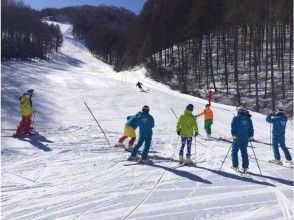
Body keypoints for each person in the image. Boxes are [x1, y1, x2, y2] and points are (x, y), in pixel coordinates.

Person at [231, 106, 254, 173]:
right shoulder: (248, 119)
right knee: (244, 152)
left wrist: (233, 135)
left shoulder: (235, 118)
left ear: (238, 111)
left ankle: (235, 166)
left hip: (237, 138)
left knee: (234, 151)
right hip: (245, 138)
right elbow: (251, 129)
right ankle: (245, 167)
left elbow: (233, 128)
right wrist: (251, 136)